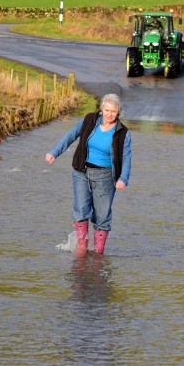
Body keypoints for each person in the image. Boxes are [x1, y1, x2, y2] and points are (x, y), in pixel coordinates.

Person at [45, 93, 131, 255]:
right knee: (81, 208)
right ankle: (82, 244)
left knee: (102, 215)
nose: (109, 114)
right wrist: (55, 152)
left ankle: (98, 254)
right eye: (107, 110)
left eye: (113, 111)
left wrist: (123, 179)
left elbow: (126, 157)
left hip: (105, 176)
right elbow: (71, 135)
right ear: (102, 109)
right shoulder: (89, 120)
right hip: (82, 171)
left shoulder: (122, 132)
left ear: (118, 112)